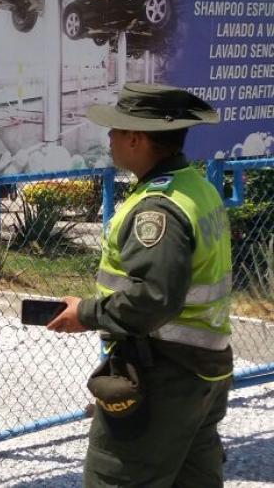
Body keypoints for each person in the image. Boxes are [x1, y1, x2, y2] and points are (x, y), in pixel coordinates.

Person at [46, 83, 233, 487]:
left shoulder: (156, 210)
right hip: (204, 374)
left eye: (115, 130)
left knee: (116, 477)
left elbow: (153, 298)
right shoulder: (195, 188)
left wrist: (86, 312)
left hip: (164, 377)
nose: (109, 138)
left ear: (136, 138)